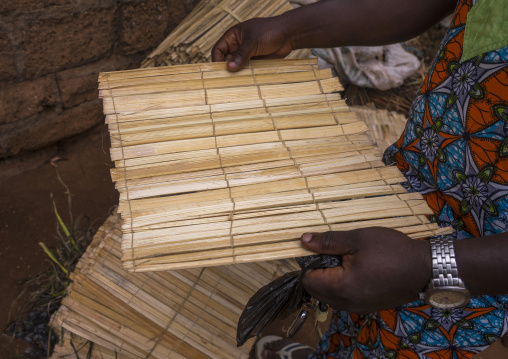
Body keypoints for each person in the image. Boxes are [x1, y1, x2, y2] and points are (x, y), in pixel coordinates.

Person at [212, 0, 508, 358]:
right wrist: (292, 29)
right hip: (411, 187)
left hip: (476, 278)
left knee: (400, 343)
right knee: (356, 311)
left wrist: (422, 267)